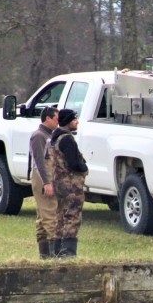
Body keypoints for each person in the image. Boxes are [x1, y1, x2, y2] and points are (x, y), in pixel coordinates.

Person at [51, 109, 88, 258]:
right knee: (72, 216)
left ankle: (57, 251)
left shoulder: (55, 138)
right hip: (71, 184)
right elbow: (73, 163)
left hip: (58, 183)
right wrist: (84, 167)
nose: (77, 121)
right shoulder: (67, 140)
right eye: (74, 119)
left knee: (60, 216)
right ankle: (68, 253)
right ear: (67, 121)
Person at [29, 106, 59, 259]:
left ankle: (44, 256)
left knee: (42, 219)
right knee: (50, 216)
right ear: (47, 119)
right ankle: (55, 256)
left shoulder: (48, 136)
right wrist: (46, 183)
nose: (57, 122)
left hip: (45, 179)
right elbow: (39, 161)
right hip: (42, 179)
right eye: (56, 119)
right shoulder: (39, 136)